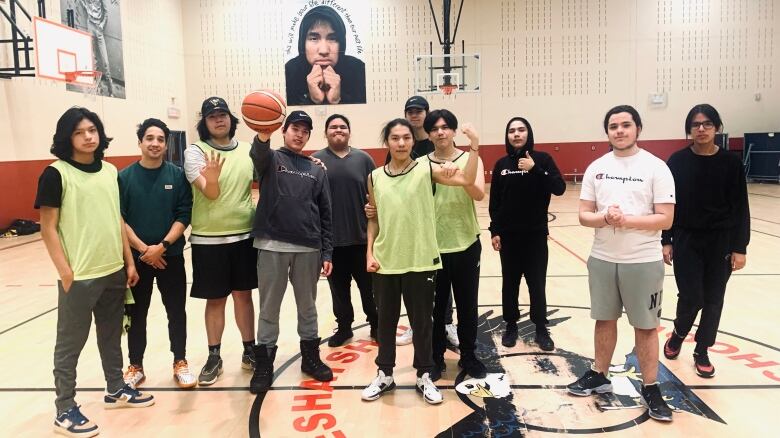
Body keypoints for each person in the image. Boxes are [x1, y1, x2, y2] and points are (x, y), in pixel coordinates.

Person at [36, 107, 154, 437]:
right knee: (70, 344)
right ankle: (64, 408)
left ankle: (116, 389)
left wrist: (129, 261)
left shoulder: (109, 172)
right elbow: (48, 227)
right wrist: (65, 271)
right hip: (80, 275)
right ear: (66, 137)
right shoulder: (55, 173)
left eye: (92, 130)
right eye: (79, 132)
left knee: (110, 336)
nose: (88, 136)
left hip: (114, 270)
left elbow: (115, 219)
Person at [567, 105, 676, 422]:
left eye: (626, 125)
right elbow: (584, 214)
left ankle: (651, 387)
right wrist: (604, 217)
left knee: (645, 327)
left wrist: (625, 220)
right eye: (613, 126)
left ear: (638, 128)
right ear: (607, 132)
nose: (619, 130)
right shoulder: (596, 168)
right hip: (602, 258)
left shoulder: (656, 167)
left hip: (643, 261)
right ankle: (599, 373)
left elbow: (666, 217)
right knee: (604, 319)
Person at [361, 118, 481, 405]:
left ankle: (424, 376)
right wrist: (369, 252)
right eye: (395, 138)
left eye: (406, 138)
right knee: (386, 323)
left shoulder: (427, 169)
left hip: (421, 259)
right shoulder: (375, 177)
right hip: (387, 260)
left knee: (424, 325)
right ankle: (385, 373)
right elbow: (373, 217)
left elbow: (467, 181)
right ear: (387, 142)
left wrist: (473, 148)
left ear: (413, 142)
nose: (401, 143)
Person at [249, 110, 334, 394]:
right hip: (272, 243)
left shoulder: (317, 168)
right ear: (284, 131)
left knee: (308, 308)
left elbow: (325, 212)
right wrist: (264, 130)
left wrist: (327, 252)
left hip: (309, 246)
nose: (299, 134)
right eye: (294, 128)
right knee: (269, 309)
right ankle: (264, 364)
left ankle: (310, 358)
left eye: (304, 131)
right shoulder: (271, 159)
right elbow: (258, 151)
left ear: (309, 135)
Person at [662, 104, 750, 378]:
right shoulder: (676, 161)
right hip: (687, 238)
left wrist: (740, 247)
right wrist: (667, 239)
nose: (701, 129)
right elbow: (668, 203)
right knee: (691, 295)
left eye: (707, 124)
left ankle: (702, 349)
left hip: (721, 241)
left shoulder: (730, 162)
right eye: (696, 124)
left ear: (717, 128)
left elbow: (740, 207)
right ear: (689, 129)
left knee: (714, 298)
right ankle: (678, 333)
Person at [184, 97, 257, 386]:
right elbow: (210, 194)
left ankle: (249, 350)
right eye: (212, 115)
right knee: (215, 299)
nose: (218, 119)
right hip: (208, 240)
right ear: (204, 122)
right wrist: (212, 178)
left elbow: (275, 178)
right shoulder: (195, 153)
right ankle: (214, 356)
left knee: (244, 295)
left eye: (223, 114)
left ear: (231, 119)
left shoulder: (249, 151)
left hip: (244, 235)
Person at [119, 118, 196, 389]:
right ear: (140, 142)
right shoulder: (124, 177)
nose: (155, 143)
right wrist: (143, 250)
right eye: (149, 138)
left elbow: (184, 214)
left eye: (160, 139)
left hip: (170, 256)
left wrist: (161, 246)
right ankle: (135, 365)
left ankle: (180, 361)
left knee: (176, 311)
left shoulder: (176, 176)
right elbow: (119, 219)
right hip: (137, 260)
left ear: (166, 144)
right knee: (136, 313)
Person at [419, 109, 487, 381]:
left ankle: (469, 356)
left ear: (454, 131)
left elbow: (478, 193)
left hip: (466, 243)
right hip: (433, 246)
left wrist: (458, 175)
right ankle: (436, 358)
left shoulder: (471, 159)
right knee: (435, 309)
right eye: (435, 128)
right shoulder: (422, 164)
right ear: (428, 133)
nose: (440, 132)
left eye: (446, 127)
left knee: (468, 305)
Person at [489, 117, 566, 350]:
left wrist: (536, 170)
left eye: (521, 130)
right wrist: (495, 230)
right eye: (512, 130)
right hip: (509, 238)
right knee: (509, 284)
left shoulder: (543, 160)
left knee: (536, 283)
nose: (516, 134)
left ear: (528, 133)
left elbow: (559, 188)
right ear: (507, 136)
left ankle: (541, 328)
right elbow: (495, 202)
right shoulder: (502, 164)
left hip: (535, 236)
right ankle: (510, 325)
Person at [393, 96, 458, 348]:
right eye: (410, 111)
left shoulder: (437, 144)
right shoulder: (404, 145)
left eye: (419, 111)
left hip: (441, 220)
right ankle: (414, 324)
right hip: (414, 221)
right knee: (417, 278)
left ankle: (446, 323)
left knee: (444, 277)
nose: (414, 115)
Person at [312, 114, 378, 347]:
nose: (338, 130)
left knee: (370, 289)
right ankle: (345, 328)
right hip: (332, 242)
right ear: (326, 132)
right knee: (339, 292)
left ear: (349, 131)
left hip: (362, 239)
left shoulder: (364, 159)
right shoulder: (315, 161)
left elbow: (375, 194)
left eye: (342, 127)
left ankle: (377, 325)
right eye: (333, 127)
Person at [285, 6, 366, 105]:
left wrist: (338, 100)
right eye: (314, 38)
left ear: (341, 43)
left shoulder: (357, 70)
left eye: (332, 38)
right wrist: (311, 99)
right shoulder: (289, 73)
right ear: (303, 43)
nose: (324, 50)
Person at [69, 0, 115, 96]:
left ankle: (111, 89)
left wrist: (102, 24)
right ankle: (97, 86)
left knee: (105, 62)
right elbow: (83, 4)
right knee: (93, 60)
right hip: (90, 25)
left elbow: (106, 12)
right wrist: (85, 7)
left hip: (98, 28)